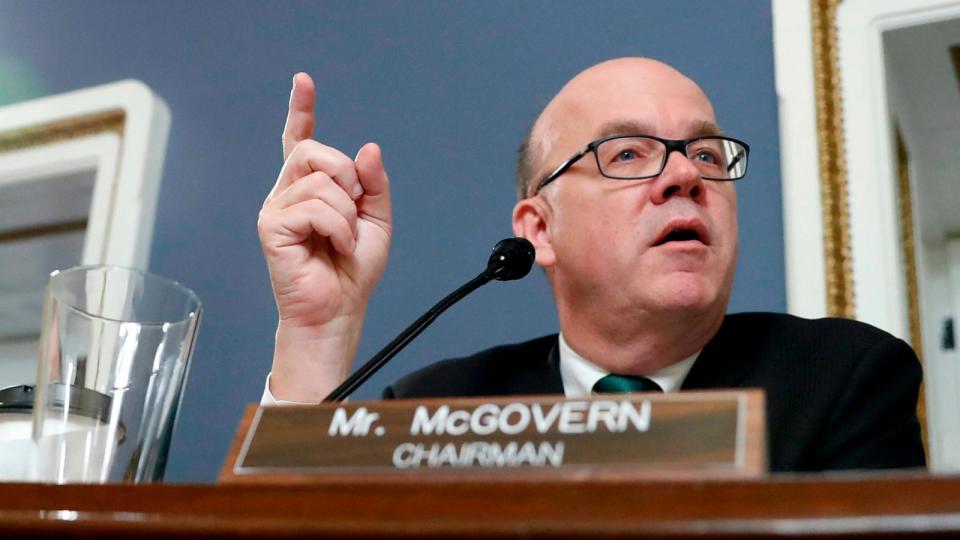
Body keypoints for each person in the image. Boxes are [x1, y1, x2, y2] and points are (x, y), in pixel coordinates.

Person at [257, 58, 925, 472]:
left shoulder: (843, 379)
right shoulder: (441, 407)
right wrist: (318, 335)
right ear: (538, 230)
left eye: (708, 154)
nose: (686, 174)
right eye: (629, 154)